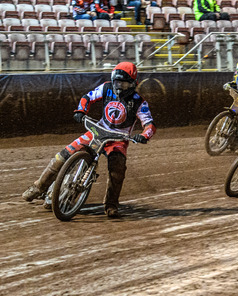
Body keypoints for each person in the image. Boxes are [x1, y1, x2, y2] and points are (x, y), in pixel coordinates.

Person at [22, 62, 156, 218]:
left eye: (124, 83)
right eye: (117, 82)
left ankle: (111, 204)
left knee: (117, 170)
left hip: (118, 139)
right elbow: (88, 97)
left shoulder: (139, 102)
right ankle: (39, 187)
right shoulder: (106, 87)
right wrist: (80, 110)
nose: (119, 86)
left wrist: (144, 135)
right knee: (62, 156)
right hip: (96, 131)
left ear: (133, 84)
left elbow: (149, 124)